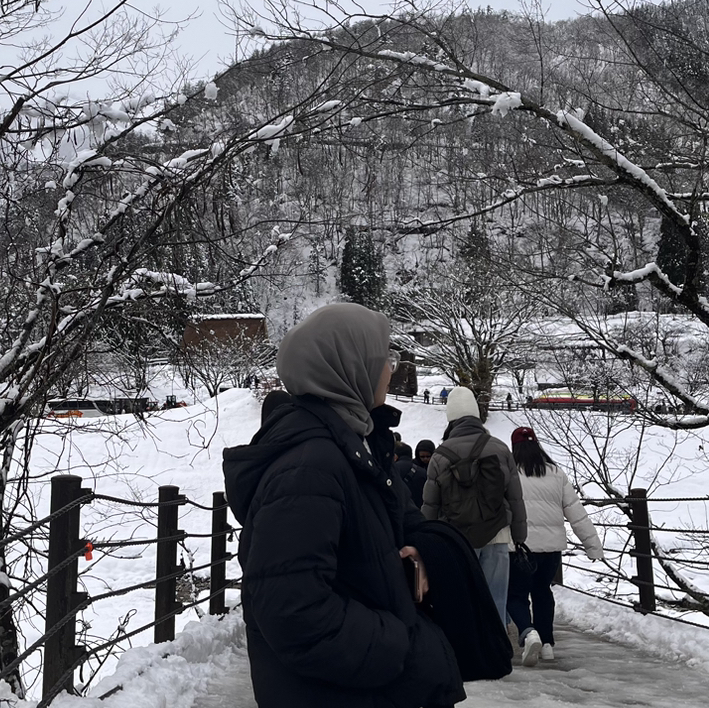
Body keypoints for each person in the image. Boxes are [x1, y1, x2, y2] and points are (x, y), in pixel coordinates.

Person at [223, 303, 464, 708]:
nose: (390, 369)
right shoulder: (310, 468)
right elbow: (293, 612)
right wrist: (403, 646)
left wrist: (421, 552)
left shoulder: (353, 448)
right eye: (383, 358)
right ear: (349, 367)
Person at [422, 387, 526, 627]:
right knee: (495, 602)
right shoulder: (500, 449)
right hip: (497, 534)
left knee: (461, 602)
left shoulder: (440, 456)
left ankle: (466, 648)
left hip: (455, 538)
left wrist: (426, 541)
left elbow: (431, 504)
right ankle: (496, 647)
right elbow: (515, 497)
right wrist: (520, 536)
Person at [508, 427, 604, 667]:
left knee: (516, 594)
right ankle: (547, 644)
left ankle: (528, 632)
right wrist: (592, 545)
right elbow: (576, 512)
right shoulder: (555, 473)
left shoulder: (509, 472)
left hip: (520, 546)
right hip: (551, 549)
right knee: (542, 592)